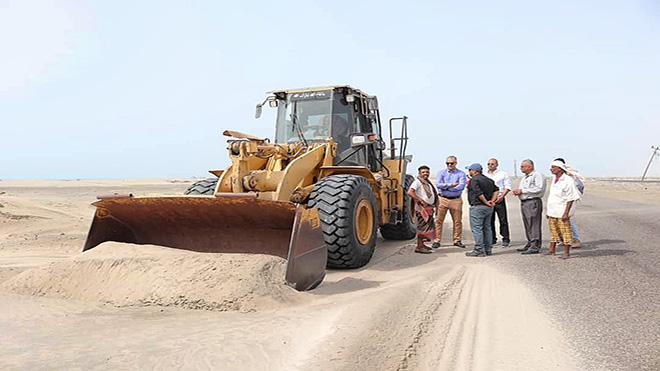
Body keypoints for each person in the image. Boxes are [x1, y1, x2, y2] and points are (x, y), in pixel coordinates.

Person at [546, 160, 581, 259]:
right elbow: (552, 196)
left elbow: (570, 198)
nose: (551, 169)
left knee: (565, 232)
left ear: (560, 169)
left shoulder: (567, 180)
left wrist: (566, 213)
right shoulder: (554, 179)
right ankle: (551, 250)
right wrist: (548, 211)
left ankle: (566, 252)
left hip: (562, 210)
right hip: (553, 210)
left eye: (553, 167)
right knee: (553, 231)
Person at [432, 156, 467, 249]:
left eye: (452, 163)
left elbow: (461, 186)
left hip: (456, 200)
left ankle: (457, 240)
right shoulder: (441, 173)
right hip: (442, 199)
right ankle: (437, 240)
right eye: (448, 163)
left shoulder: (461, 174)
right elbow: (438, 185)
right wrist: (451, 185)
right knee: (438, 220)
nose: (450, 165)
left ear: (456, 163)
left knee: (457, 221)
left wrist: (445, 187)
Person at [464, 163, 499, 257]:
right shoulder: (489, 180)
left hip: (478, 206)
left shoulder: (474, 180)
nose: (469, 172)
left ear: (475, 171)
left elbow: (478, 192)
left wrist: (486, 201)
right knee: (487, 228)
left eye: (470, 170)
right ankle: (488, 249)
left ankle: (479, 249)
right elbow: (496, 190)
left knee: (477, 229)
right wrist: (492, 201)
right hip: (488, 208)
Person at [512, 159, 545, 254]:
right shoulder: (525, 177)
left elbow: (539, 188)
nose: (521, 168)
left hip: (532, 201)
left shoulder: (537, 175)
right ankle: (530, 242)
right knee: (527, 223)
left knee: (534, 223)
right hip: (525, 202)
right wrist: (519, 192)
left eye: (523, 166)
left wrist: (523, 191)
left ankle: (535, 245)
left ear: (530, 167)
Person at [554, 157, 584, 248]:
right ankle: (563, 239)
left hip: (570, 199)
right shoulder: (557, 175)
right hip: (560, 200)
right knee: (558, 219)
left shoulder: (570, 173)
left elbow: (579, 186)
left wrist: (574, 196)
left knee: (568, 218)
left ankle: (576, 239)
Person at [408, 165, 438, 254]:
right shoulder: (417, 182)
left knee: (427, 227)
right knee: (422, 227)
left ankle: (422, 245)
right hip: (422, 209)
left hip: (428, 208)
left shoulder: (427, 182)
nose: (425, 174)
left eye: (427, 172)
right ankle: (419, 247)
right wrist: (420, 200)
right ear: (419, 173)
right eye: (423, 172)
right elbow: (410, 192)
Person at [485, 158, 512, 247]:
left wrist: (502, 196)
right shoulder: (484, 175)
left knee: (503, 219)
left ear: (496, 165)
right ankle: (492, 238)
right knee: (490, 220)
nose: (490, 165)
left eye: (492, 164)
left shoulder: (502, 174)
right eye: (489, 164)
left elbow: (507, 186)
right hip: (489, 199)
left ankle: (505, 238)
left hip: (499, 198)